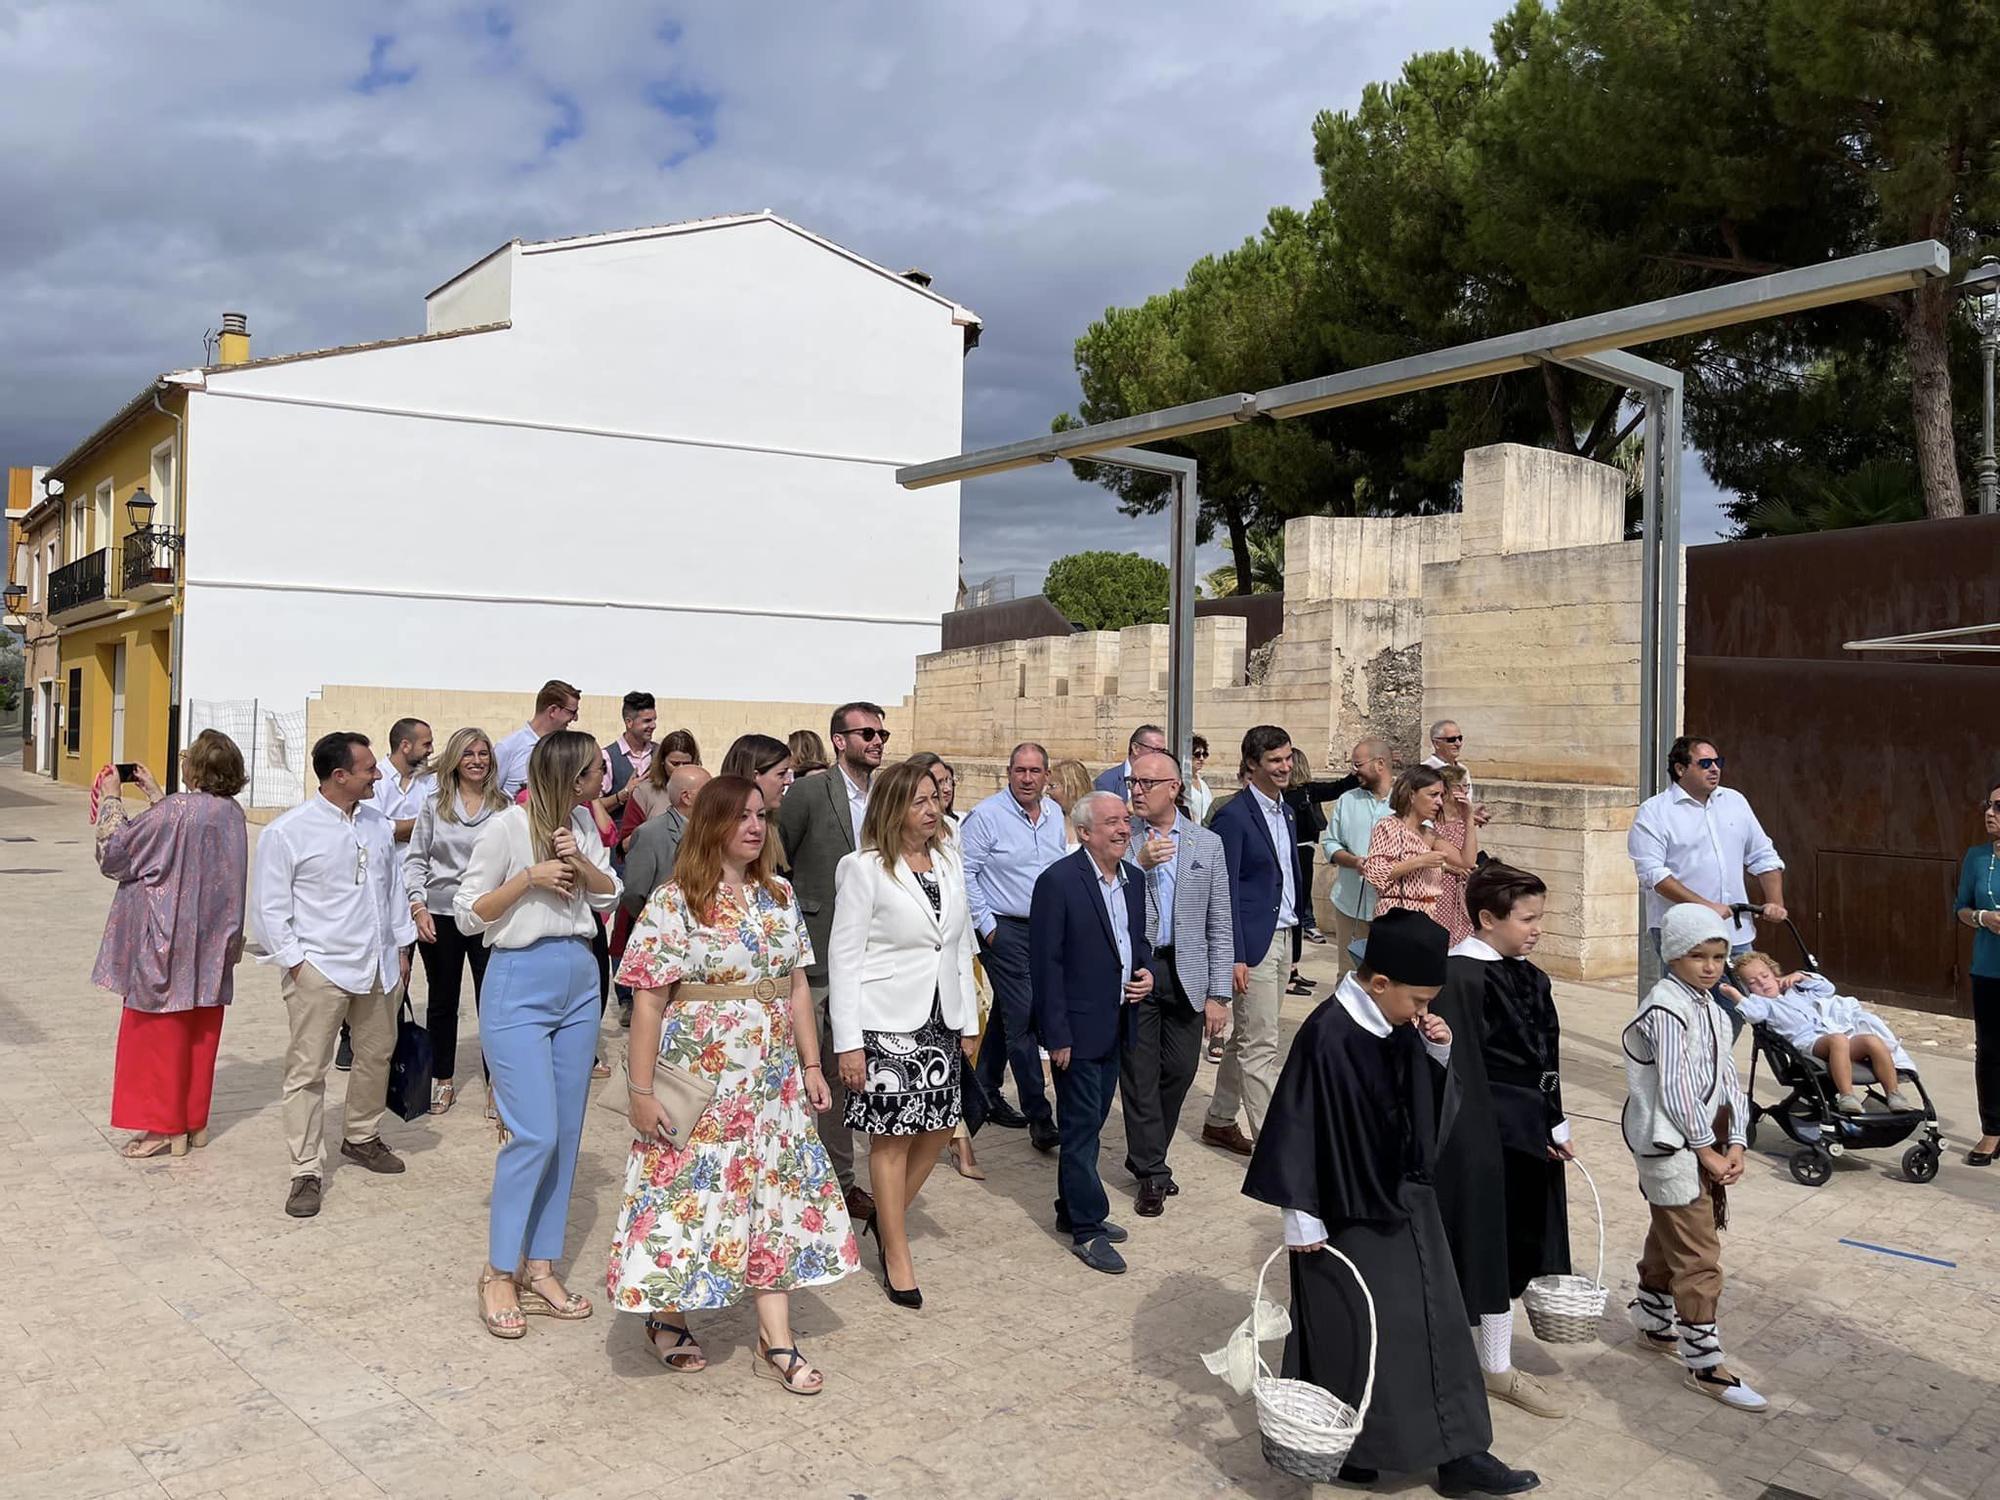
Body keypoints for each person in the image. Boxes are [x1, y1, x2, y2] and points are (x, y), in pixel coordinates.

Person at [1241, 909, 1539, 1495]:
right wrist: (1299, 1216)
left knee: (1437, 1327)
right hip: (1345, 1216)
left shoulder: (1398, 1023)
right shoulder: (1327, 1034)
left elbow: (1418, 1114)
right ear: (1379, 983)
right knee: (1359, 1333)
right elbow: (1295, 1127)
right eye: (1420, 1000)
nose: (1424, 1012)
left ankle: (1459, 1454)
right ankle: (1357, 1446)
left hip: (1406, 1201)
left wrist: (1436, 1052)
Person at [608, 775, 857, 1390]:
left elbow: (797, 985)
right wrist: (641, 1093)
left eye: (760, 816)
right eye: (741, 816)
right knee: (685, 1197)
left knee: (772, 1201)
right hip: (701, 1081)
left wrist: (811, 1065)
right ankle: (666, 1315)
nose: (754, 826)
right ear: (711, 824)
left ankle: (776, 1339)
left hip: (772, 1086)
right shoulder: (674, 902)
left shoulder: (778, 895)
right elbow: (647, 1004)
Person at [454, 730, 619, 1335]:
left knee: (569, 1130)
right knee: (535, 1133)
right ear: (569, 774)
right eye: (595, 771)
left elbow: (611, 894)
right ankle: (498, 1272)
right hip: (518, 979)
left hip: (580, 975)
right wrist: (529, 878)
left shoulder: (581, 822)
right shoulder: (504, 826)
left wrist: (578, 862)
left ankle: (541, 1265)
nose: (604, 779)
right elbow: (469, 912)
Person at [828, 761, 980, 1308]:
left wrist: (967, 1021)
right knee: (890, 1141)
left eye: (935, 799)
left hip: (941, 1019)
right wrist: (847, 1041)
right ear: (893, 807)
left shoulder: (947, 861)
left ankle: (886, 1221)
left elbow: (956, 945)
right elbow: (843, 958)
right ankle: (897, 1253)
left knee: (939, 1130)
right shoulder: (863, 868)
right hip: (883, 1021)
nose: (933, 809)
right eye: (919, 801)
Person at [1430, 863, 1576, 1421]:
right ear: (1487, 919)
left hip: (1525, 1135)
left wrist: (1553, 1119)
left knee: (1511, 1245)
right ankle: (1485, 1364)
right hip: (1480, 1137)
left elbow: (1546, 1058)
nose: (1537, 929)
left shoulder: (1530, 977)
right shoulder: (1460, 976)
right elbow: (1455, 1066)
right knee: (1479, 1244)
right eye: (1527, 918)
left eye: (1541, 917)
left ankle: (1495, 1359)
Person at [252, 732, 415, 1220]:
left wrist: (401, 947)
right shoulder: (288, 832)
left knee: (375, 1055)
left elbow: (390, 889)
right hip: (320, 968)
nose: (378, 775)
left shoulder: (376, 824)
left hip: (379, 965)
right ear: (339, 776)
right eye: (368, 769)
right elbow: (269, 908)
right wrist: (297, 962)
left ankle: (361, 1137)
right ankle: (306, 1167)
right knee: (308, 1071)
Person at [1622, 904, 1768, 1412]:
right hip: (1670, 1147)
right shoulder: (1664, 1007)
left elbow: (1727, 1079)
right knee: (1699, 1256)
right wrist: (1707, 1149)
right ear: (1672, 957)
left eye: (1718, 955)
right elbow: (1677, 1087)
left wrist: (1737, 1142)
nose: (1709, 966)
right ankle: (1706, 1365)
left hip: (1702, 1145)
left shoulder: (1710, 1006)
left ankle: (1653, 1321)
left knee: (1671, 1235)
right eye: (1696, 956)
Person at [89, 733, 248, 1159]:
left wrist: (111, 800)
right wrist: (158, 794)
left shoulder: (178, 810)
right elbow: (184, 831)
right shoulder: (231, 813)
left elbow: (116, 853)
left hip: (164, 940)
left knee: (155, 1036)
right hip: (211, 942)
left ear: (196, 769)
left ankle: (162, 1127)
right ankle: (192, 1122)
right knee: (199, 1032)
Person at [1030, 791, 1153, 1273]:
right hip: (1076, 1032)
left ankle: (1069, 1208)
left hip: (1118, 1022)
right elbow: (1047, 965)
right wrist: (1056, 1035)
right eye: (1111, 823)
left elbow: (1135, 942)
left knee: (1093, 1123)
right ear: (1084, 832)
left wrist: (1147, 973)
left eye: (1126, 821)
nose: (1124, 829)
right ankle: (1087, 1226)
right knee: (1081, 1133)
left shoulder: (1134, 880)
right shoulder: (1058, 882)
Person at [776, 700, 889, 1222]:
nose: (877, 740)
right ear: (839, 740)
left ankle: (841, 1180)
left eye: (881, 733)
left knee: (850, 1069)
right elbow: (781, 859)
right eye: (867, 732)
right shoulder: (809, 792)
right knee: (810, 1066)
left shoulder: (886, 795)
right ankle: (799, 1176)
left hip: (874, 954)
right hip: (817, 953)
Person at [1122, 750, 1233, 1216]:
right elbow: (1102, 894)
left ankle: (1146, 1151)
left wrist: (1219, 993)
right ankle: (1153, 1170)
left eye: (1147, 784)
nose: (1137, 791)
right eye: (1133, 783)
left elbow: (1219, 922)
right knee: (1140, 1073)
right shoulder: (1122, 839)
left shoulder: (1207, 844)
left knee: (1179, 1071)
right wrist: (1138, 865)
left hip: (1187, 972)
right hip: (1141, 970)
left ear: (1174, 787)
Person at [961, 742, 1069, 1151]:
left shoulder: (1056, 813)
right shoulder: (987, 816)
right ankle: (1039, 1116)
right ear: (1008, 773)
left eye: (1035, 771)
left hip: (1048, 929)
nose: (1027, 778)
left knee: (1012, 1012)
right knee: (1024, 1017)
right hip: (1005, 930)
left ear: (1046, 775)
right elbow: (965, 874)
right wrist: (988, 928)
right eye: (1020, 771)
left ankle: (984, 1089)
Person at [1201, 725, 1300, 1157]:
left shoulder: (1288, 810)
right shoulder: (1234, 816)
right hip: (1253, 945)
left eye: (1288, 757)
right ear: (1252, 765)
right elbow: (1223, 892)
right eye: (1275, 760)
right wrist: (1234, 955)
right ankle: (1274, 1148)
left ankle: (1220, 1119)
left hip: (1284, 935)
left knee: (1248, 1039)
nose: (1285, 767)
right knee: (1262, 1045)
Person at [406, 727, 509, 1114]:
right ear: (455, 759)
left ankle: (495, 1085)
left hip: (487, 915)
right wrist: (418, 906)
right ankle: (442, 1079)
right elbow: (416, 860)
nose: (477, 761)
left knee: (494, 1003)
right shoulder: (434, 805)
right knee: (442, 1001)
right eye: (469, 754)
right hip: (441, 915)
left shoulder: (504, 807)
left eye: (483, 753)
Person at [1626, 735, 1786, 965]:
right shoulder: (1654, 812)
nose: (1714, 769)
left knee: (1743, 999)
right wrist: (1706, 907)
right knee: (1694, 999)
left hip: (1735, 933)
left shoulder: (1735, 801)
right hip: (1685, 934)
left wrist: (1775, 903)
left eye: (1717, 762)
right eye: (1704, 763)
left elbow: (1763, 855)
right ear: (1680, 769)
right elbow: (1653, 875)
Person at [1722, 953, 1916, 1114]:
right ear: (1748, 989)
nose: (1763, 983)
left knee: (1872, 1040)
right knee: (1838, 1040)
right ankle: (1847, 1096)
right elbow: (1754, 1015)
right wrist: (1736, 995)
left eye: (1765, 976)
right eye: (1754, 983)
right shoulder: (1762, 1003)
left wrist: (1802, 976)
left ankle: (1893, 1094)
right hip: (1807, 1045)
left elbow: (1827, 989)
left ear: (1774, 973)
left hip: (1831, 1038)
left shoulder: (1796, 991)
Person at [1282, 751, 1361, 985]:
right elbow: (1339, 787)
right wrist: (1357, 772)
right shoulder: (1303, 792)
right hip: (1300, 853)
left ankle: (1291, 967)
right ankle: (1291, 968)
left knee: (1295, 909)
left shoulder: (1288, 793)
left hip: (1295, 853)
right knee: (1296, 909)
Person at [1361, 767, 1475, 925]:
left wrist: (1468, 819)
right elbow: (1375, 873)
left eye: (1441, 796)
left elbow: (1466, 861)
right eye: (1433, 795)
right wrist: (1420, 861)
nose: (1440, 802)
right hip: (1397, 915)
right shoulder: (1389, 826)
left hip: (1428, 917)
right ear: (1412, 795)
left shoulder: (1430, 833)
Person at [1322, 737, 1395, 977]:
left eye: (1358, 765)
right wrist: (1354, 862)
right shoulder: (1347, 800)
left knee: (1388, 979)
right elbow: (1331, 843)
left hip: (1391, 909)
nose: (1354, 771)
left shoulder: (1406, 801)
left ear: (1380, 764)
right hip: (1350, 905)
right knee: (1348, 975)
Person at [1956, 779, 2000, 1165]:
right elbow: (1961, 909)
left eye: (1999, 807)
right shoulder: (1976, 857)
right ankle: (1992, 1131)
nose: (1989, 812)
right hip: (1988, 970)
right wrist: (1984, 917)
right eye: (1989, 804)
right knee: (1989, 1052)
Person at [617, 766, 711, 934]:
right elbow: (634, 893)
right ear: (686, 797)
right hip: (662, 933)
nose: (715, 797)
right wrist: (658, 921)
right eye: (708, 791)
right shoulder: (650, 833)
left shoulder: (712, 831)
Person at [616, 727, 702, 852]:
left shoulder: (706, 792)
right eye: (675, 764)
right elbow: (624, 845)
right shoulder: (644, 792)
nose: (681, 769)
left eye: (686, 764)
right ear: (662, 761)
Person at [495, 680, 581, 799]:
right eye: (572, 712)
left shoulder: (569, 749)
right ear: (553, 711)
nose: (575, 718)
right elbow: (488, 796)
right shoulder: (508, 748)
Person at [597, 690, 658, 831]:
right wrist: (623, 794)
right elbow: (594, 807)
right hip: (618, 846)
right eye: (647, 721)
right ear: (629, 722)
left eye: (654, 720)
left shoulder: (660, 754)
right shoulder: (607, 756)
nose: (653, 725)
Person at [1433, 764, 1478, 947]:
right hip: (1439, 887)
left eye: (1466, 786)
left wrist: (1469, 819)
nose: (1465, 791)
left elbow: (1470, 855)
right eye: (1460, 787)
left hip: (1462, 890)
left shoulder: (1463, 820)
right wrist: (1449, 867)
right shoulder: (1432, 820)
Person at [1423, 718, 1491, 828]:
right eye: (1451, 740)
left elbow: (1463, 805)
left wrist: (1472, 815)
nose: (1458, 743)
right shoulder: (1424, 771)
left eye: (1460, 738)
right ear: (1436, 743)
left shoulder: (1463, 770)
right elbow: (1423, 811)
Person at [720, 732, 796, 813]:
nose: (788, 781)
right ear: (754, 776)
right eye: (781, 774)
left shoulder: (778, 819)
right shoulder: (720, 822)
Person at [1095, 724, 1168, 801]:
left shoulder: (1165, 780)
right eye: (1155, 750)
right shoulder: (1107, 782)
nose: (1160, 756)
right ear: (1136, 748)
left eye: (1163, 751)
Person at [1048, 759, 1096, 828]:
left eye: (1052, 786)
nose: (1047, 791)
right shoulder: (1049, 820)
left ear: (1071, 787)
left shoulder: (1096, 819)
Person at [1185, 734, 1214, 824]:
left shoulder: (1203, 784)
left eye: (1204, 754)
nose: (1201, 759)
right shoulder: (1182, 783)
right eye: (1197, 755)